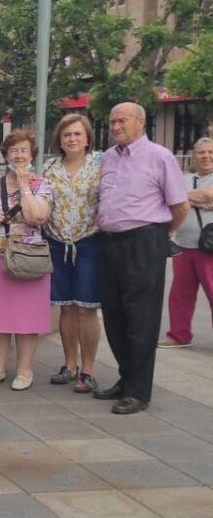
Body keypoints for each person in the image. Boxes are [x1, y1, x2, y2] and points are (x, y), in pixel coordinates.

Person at [94, 102, 188, 414]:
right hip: (110, 242)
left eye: (122, 120)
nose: (115, 126)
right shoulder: (108, 157)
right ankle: (126, 378)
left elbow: (180, 206)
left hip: (144, 241)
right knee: (115, 315)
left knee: (141, 317)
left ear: (140, 122)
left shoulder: (160, 157)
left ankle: (138, 391)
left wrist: (161, 236)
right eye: (112, 120)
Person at [0, 129, 53, 390]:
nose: (19, 155)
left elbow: (37, 217)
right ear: (5, 155)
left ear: (32, 155)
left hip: (28, 257)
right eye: (14, 150)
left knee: (27, 320)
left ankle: (24, 370)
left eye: (24, 150)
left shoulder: (41, 184)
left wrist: (25, 184)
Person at [42, 114, 103, 392]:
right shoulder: (49, 167)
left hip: (89, 242)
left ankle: (88, 369)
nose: (72, 139)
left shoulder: (101, 165)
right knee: (66, 307)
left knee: (86, 308)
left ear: (88, 138)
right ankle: (69, 364)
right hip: (57, 243)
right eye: (67, 135)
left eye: (78, 134)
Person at [163, 136, 213, 350]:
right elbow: (169, 199)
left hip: (209, 248)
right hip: (183, 245)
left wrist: (184, 198)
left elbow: (208, 194)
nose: (206, 156)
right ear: (194, 156)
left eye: (210, 152)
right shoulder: (184, 178)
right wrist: (197, 198)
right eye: (202, 152)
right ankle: (179, 334)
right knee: (180, 295)